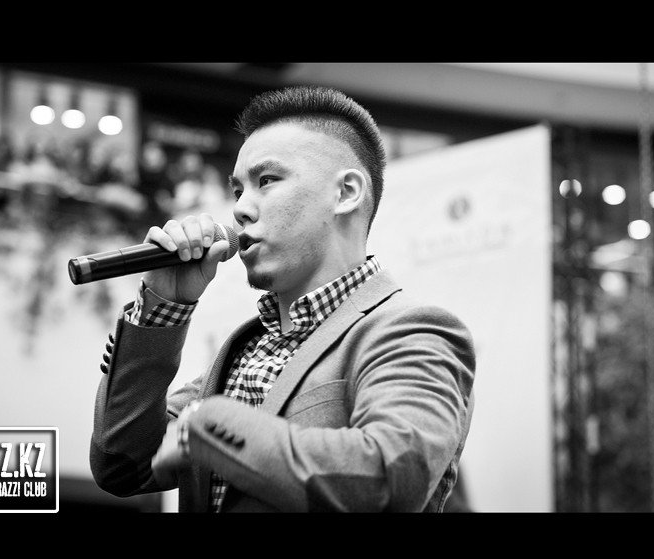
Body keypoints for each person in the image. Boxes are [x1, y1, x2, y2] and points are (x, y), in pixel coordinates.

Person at [90, 85, 476, 512]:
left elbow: (390, 480)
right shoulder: (242, 352)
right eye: (238, 191)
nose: (240, 209)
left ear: (346, 192)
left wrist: (207, 424)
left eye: (267, 181)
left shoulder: (413, 331)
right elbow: (121, 466)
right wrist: (163, 307)